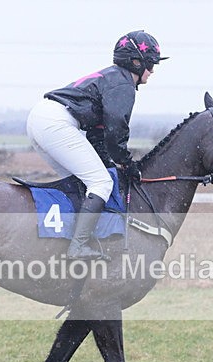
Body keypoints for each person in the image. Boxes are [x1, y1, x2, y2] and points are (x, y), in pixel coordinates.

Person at [26, 30, 168, 260]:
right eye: (150, 64)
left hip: (41, 120)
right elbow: (116, 132)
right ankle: (77, 247)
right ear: (135, 61)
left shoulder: (112, 77)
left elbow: (98, 136)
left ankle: (69, 238)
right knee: (100, 182)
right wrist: (126, 163)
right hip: (55, 122)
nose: (152, 71)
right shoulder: (123, 84)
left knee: (85, 182)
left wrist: (112, 162)